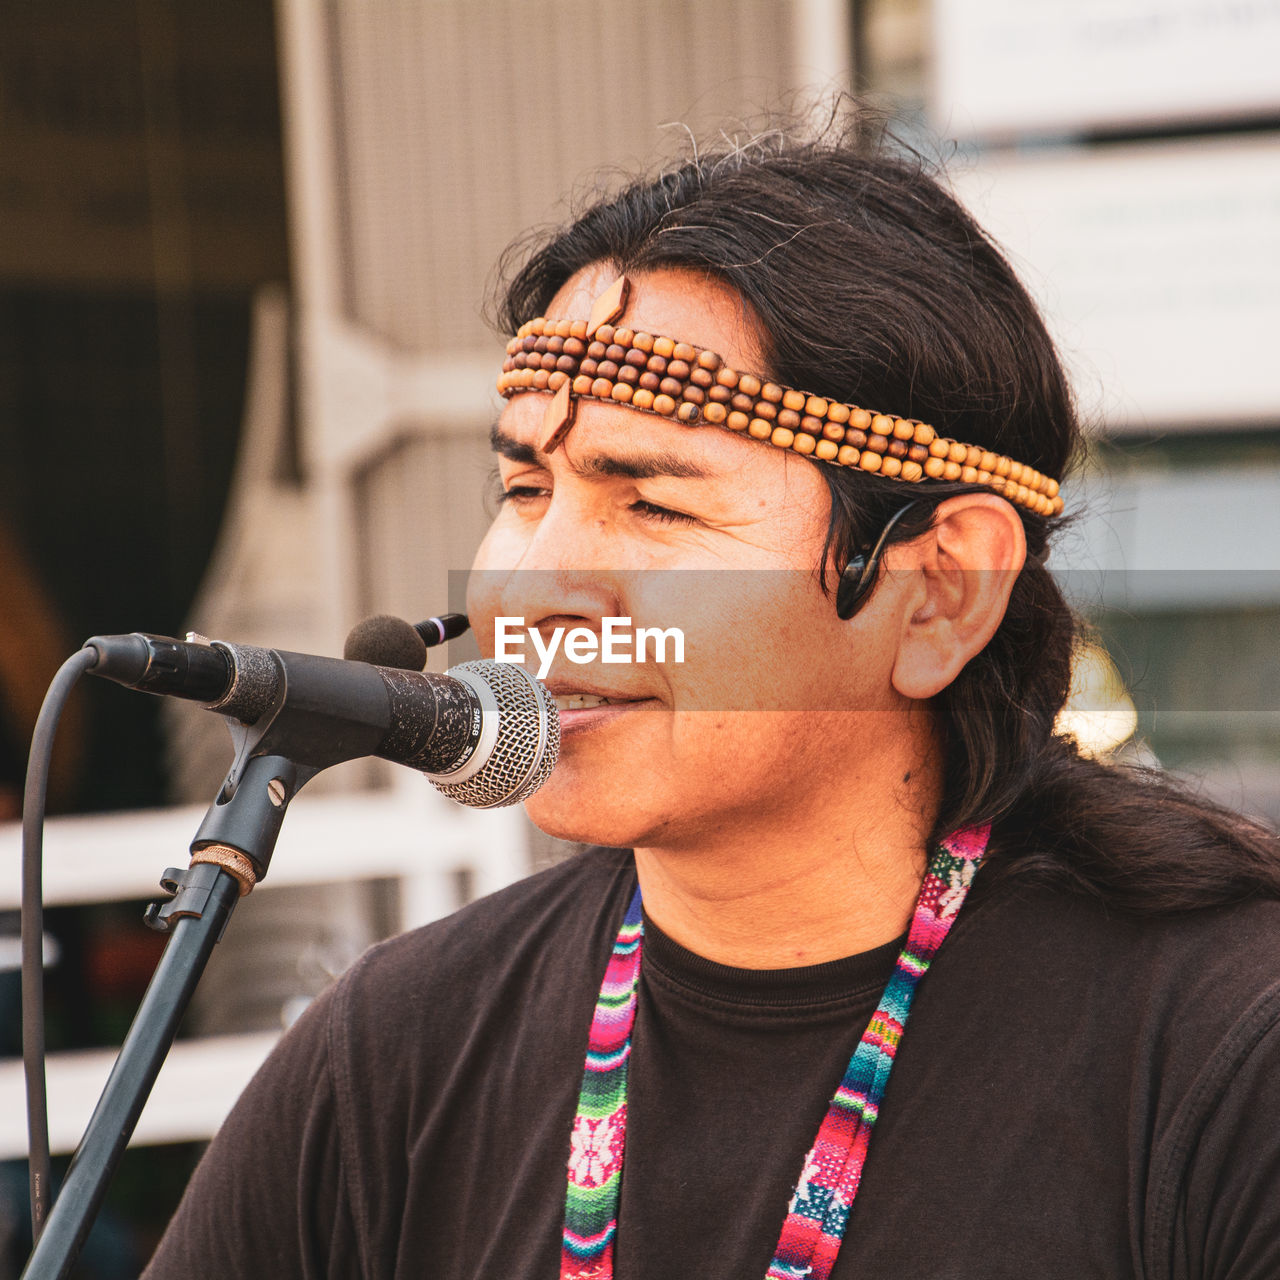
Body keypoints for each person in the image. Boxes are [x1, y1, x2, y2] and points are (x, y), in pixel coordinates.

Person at [143, 127, 1280, 1279]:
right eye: (524, 487)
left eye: (654, 506)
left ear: (938, 589)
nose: (529, 587)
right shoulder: (396, 1046)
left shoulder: (1225, 1047)